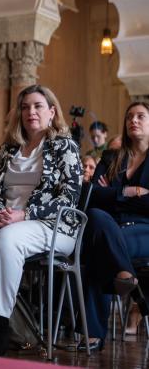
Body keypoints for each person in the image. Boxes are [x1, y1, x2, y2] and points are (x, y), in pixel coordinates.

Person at [0, 85, 82, 356]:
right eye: (25, 107)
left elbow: (69, 197)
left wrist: (25, 214)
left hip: (51, 225)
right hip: (6, 219)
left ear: (52, 112)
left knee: (8, 238)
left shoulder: (65, 146)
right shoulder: (8, 149)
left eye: (38, 106)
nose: (30, 112)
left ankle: (0, 328)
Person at [78, 102, 149, 351]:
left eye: (141, 116)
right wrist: (128, 192)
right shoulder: (111, 157)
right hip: (109, 225)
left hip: (144, 230)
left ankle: (93, 335)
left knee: (99, 250)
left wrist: (111, 193)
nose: (134, 120)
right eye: (130, 116)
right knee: (96, 216)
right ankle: (129, 280)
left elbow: (104, 194)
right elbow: (90, 195)